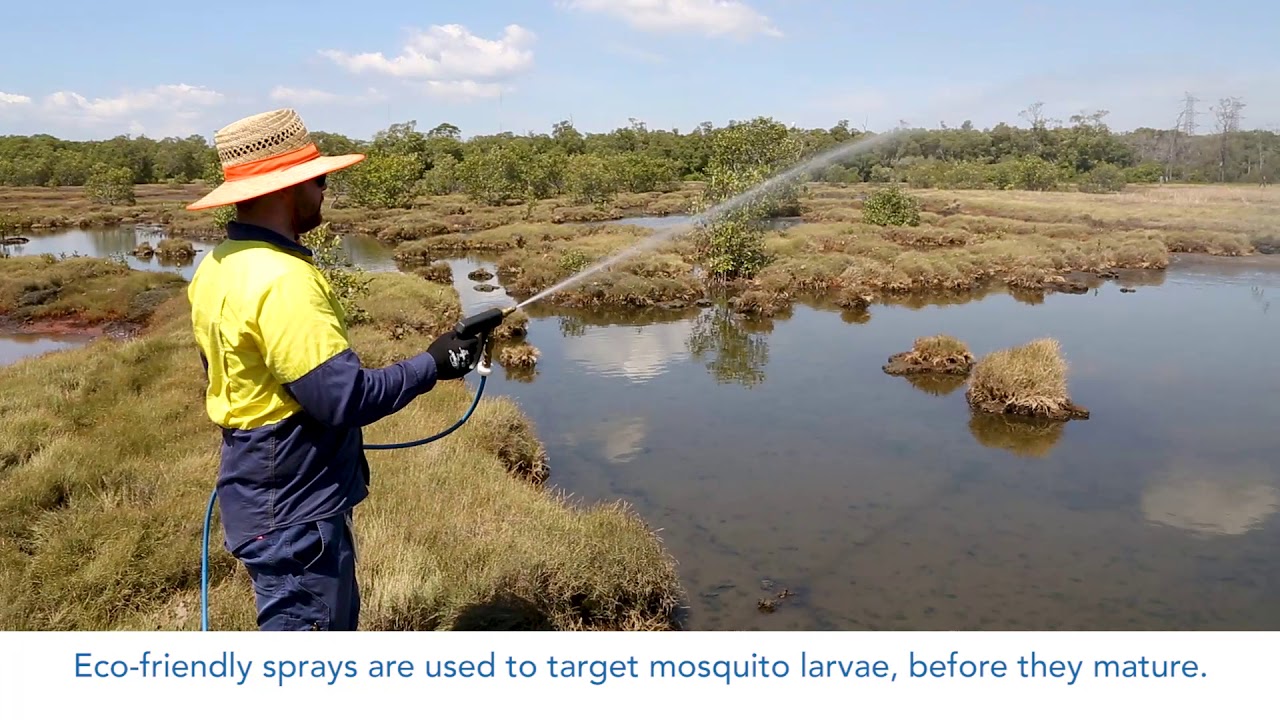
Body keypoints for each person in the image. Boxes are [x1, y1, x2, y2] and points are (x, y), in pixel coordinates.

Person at [185, 108, 482, 631]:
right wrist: (434, 364)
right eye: (318, 179)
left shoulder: (220, 263)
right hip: (293, 507)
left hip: (258, 488)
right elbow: (343, 400)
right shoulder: (283, 279)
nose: (325, 190)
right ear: (286, 188)